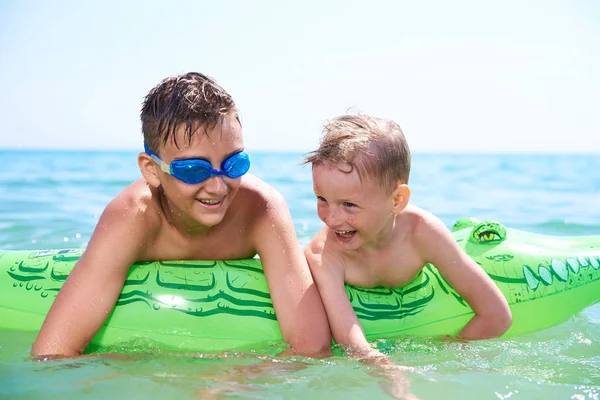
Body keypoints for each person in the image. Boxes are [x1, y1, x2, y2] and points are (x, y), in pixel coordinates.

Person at [31, 72, 331, 358]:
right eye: (193, 170)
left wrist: (236, 377)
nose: (217, 186)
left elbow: (312, 346)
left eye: (234, 163)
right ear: (152, 170)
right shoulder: (135, 216)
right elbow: (52, 352)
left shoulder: (260, 210)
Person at [303, 113, 512, 362]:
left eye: (349, 204)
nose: (331, 219)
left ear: (397, 200)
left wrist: (449, 355)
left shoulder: (422, 233)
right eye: (322, 199)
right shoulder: (325, 253)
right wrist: (388, 373)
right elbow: (353, 344)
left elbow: (496, 314)